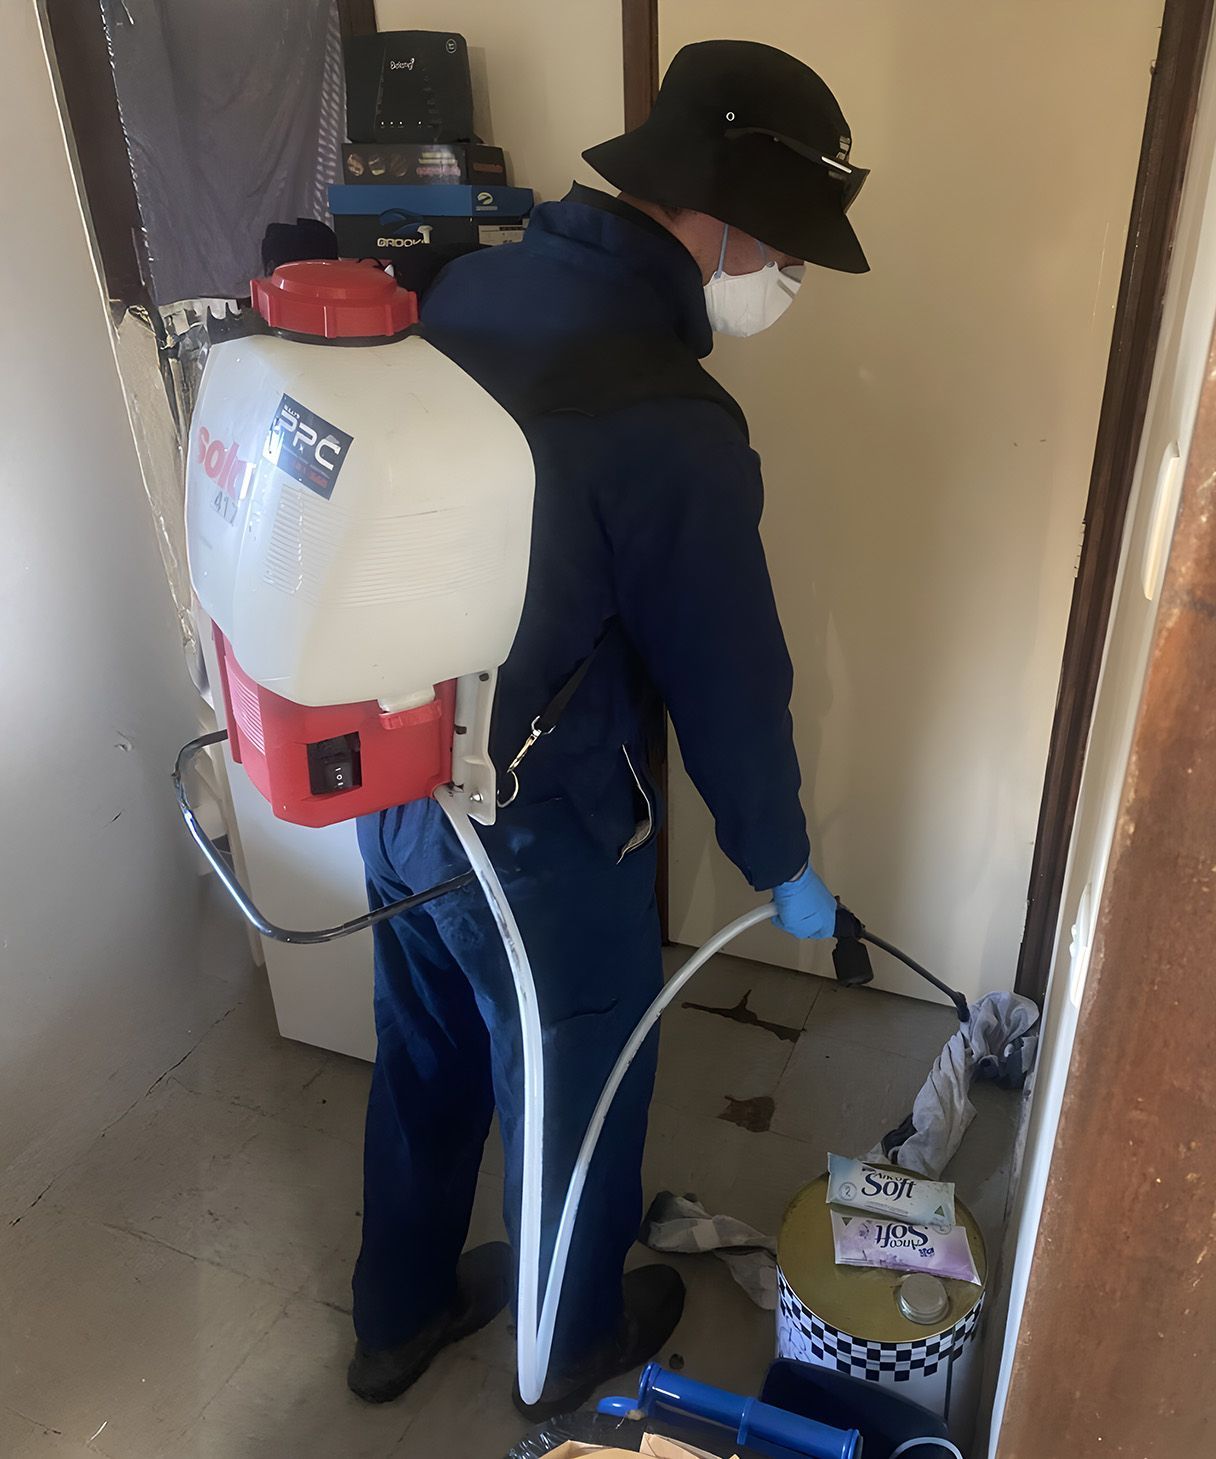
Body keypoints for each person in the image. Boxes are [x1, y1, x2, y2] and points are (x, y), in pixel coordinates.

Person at [347, 39, 870, 1418]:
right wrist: (784, 865)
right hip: (536, 822)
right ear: (725, 217)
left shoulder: (476, 284)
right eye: (791, 251)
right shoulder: (670, 414)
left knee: (427, 1044)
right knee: (576, 1075)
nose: (789, 279)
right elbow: (729, 679)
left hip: (394, 765)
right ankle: (569, 1345)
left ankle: (395, 1313)